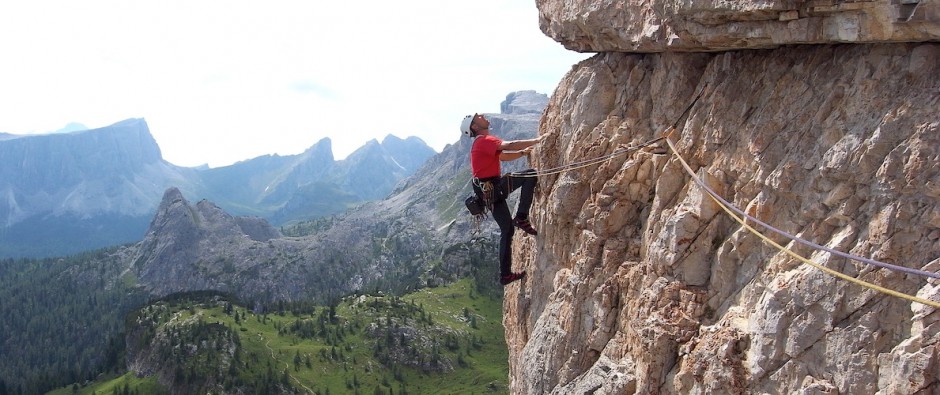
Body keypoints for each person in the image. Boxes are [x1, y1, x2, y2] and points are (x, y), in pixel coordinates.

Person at [460, 113, 542, 285]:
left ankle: (505, 275)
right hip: (493, 188)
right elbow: (509, 146)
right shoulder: (484, 141)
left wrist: (522, 153)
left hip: (486, 191)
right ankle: (521, 216)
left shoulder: (481, 143)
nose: (482, 116)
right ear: (475, 126)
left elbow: (503, 156)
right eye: (478, 117)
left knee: (507, 230)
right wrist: (538, 140)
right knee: (530, 175)